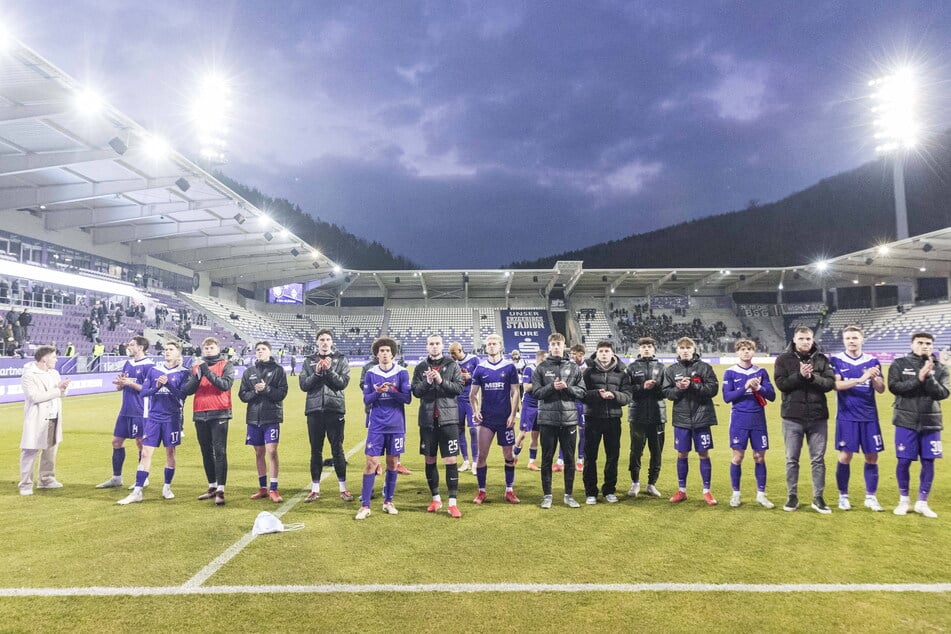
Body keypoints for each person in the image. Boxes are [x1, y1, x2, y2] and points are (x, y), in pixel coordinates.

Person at [117, 342, 192, 505]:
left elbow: (182, 396)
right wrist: (157, 386)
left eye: (171, 349)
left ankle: (167, 487)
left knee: (170, 453)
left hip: (172, 419)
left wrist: (168, 384)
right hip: (153, 417)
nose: (167, 352)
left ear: (178, 353)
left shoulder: (184, 373)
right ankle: (137, 491)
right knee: (145, 453)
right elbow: (144, 392)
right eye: (166, 349)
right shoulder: (154, 370)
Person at [773, 326, 835, 514]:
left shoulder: (822, 359)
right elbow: (781, 384)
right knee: (792, 459)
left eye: (808, 339)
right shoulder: (783, 360)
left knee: (818, 460)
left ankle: (818, 497)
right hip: (792, 417)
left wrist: (811, 378)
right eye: (801, 339)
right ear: (794, 339)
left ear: (812, 339)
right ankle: (792, 496)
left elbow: (829, 384)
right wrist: (800, 376)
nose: (805, 342)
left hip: (818, 417)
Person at [888, 332, 948, 518]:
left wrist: (929, 377)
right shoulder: (899, 364)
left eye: (928, 343)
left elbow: (943, 394)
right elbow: (895, 388)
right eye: (920, 342)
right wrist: (918, 379)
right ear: (912, 344)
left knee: (928, 461)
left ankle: (922, 502)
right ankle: (904, 500)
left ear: (932, 346)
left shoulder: (941, 369)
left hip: (931, 422)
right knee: (904, 461)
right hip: (905, 421)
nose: (924, 346)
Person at [829, 326, 886, 512]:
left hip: (869, 416)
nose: (851, 341)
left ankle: (871, 497)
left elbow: (880, 388)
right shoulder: (837, 360)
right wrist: (861, 379)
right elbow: (836, 385)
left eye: (855, 337)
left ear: (862, 339)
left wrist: (875, 378)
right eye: (848, 338)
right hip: (847, 417)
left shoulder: (872, 360)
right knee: (846, 456)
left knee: (872, 456)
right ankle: (843, 496)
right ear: (844, 340)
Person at [355, 337, 412, 520]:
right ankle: (365, 505)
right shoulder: (371, 373)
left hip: (396, 425)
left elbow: (407, 399)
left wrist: (392, 391)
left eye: (388, 350)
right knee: (371, 463)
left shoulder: (402, 372)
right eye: (381, 351)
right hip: (377, 425)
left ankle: (388, 501)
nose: (385, 353)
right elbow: (366, 400)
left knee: (392, 463)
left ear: (393, 353)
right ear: (377, 354)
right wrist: (377, 392)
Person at [412, 335, 464, 518]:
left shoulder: (452, 365)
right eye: (431, 344)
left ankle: (452, 503)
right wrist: (427, 382)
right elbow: (416, 392)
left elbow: (459, 388)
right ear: (427, 347)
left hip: (448, 419)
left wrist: (441, 381)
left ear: (442, 346)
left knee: (450, 460)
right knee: (430, 460)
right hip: (427, 421)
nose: (434, 346)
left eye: (437, 344)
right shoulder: (420, 368)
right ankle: (435, 499)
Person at [663, 337, 719, 506]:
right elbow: (667, 393)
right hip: (681, 419)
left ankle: (707, 491)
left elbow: (713, 389)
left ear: (694, 349)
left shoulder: (704, 367)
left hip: (702, 418)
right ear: (677, 350)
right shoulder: (671, 370)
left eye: (688, 347)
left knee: (703, 453)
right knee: (682, 453)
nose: (685, 350)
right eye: (682, 347)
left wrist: (693, 386)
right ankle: (682, 491)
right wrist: (679, 389)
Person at [533, 333, 586, 508]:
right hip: (547, 420)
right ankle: (547, 495)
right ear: (549, 346)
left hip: (569, 420)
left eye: (559, 344)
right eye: (553, 344)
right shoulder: (541, 368)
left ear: (565, 346)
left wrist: (568, 388)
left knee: (570, 459)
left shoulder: (574, 367)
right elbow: (536, 393)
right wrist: (551, 387)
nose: (556, 346)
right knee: (547, 458)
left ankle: (568, 495)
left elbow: (582, 392)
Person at [299, 329, 352, 502]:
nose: (325, 342)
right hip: (314, 411)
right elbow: (304, 385)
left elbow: (342, 384)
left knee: (337, 450)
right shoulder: (309, 361)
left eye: (328, 339)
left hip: (334, 409)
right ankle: (315, 489)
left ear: (332, 342)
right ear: (316, 342)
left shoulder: (341, 359)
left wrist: (328, 371)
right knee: (316, 451)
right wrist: (317, 373)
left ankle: (343, 489)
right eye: (321, 339)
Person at [722, 339, 776, 508]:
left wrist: (758, 387)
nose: (746, 352)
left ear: (754, 351)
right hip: (739, 419)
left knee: (759, 457)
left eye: (749, 349)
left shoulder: (761, 371)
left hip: (758, 420)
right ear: (737, 352)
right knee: (738, 457)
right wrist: (745, 387)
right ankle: (736, 494)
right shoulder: (730, 373)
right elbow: (727, 398)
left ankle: (761, 494)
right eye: (743, 349)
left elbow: (772, 396)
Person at [469, 333, 522, 504]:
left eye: (494, 344)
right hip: (487, 420)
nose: (491, 346)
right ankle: (482, 491)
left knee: (508, 456)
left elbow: (515, 392)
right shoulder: (480, 369)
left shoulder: (509, 367)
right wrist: (475, 410)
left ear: (500, 346)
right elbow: (473, 395)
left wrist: (513, 414)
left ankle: (509, 490)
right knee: (482, 456)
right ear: (486, 347)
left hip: (505, 420)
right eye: (489, 344)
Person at [96, 336, 154, 489]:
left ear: (140, 347)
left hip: (140, 410)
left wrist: (131, 383)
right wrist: (121, 384)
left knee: (140, 443)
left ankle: (143, 478)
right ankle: (116, 478)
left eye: (132, 344)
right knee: (116, 442)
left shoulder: (150, 366)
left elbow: (149, 390)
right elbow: (122, 385)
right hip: (126, 410)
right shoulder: (128, 363)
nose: (128, 346)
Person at [581, 341, 632, 504]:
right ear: (596, 353)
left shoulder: (622, 374)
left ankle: (609, 490)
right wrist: (597, 394)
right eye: (601, 351)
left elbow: (628, 396)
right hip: (592, 418)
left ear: (612, 354)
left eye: (606, 351)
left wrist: (615, 395)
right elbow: (581, 394)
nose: (603, 354)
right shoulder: (588, 373)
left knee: (612, 456)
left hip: (613, 419)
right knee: (590, 457)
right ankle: (591, 492)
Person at [240, 341, 289, 503]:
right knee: (259, 453)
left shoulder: (278, 370)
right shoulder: (249, 372)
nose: (260, 352)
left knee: (272, 451)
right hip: (254, 418)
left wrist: (266, 389)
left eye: (263, 349)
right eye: (258, 349)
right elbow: (242, 395)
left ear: (269, 351)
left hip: (271, 417)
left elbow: (282, 393)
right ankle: (262, 488)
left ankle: (273, 488)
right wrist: (255, 391)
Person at [19, 346, 70, 495]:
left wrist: (63, 389)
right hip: (37, 418)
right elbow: (35, 397)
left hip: (53, 417)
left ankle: (46, 479)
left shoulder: (54, 373)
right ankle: (25, 484)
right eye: (54, 357)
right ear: (44, 358)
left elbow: (61, 394)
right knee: (29, 451)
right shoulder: (29, 375)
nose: (56, 360)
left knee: (50, 450)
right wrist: (57, 390)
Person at [191, 337, 235, 506]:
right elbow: (188, 390)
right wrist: (196, 377)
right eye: (206, 348)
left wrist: (206, 372)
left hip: (219, 413)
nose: (208, 350)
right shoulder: (196, 367)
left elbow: (224, 385)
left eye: (211, 347)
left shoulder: (226, 365)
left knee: (220, 451)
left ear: (218, 349)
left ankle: (221, 490)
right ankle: (212, 486)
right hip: (200, 413)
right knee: (205, 451)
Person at [626, 337, 667, 498]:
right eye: (643, 346)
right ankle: (635, 482)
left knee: (656, 451)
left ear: (654, 349)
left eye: (649, 346)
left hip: (658, 415)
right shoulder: (632, 367)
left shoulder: (662, 368)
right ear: (639, 349)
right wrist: (643, 387)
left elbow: (667, 391)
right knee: (636, 450)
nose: (646, 349)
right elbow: (627, 390)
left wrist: (656, 386)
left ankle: (651, 484)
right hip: (637, 415)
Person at [449, 342, 480, 474]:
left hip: (471, 399)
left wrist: (470, 376)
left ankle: (475, 462)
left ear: (460, 350)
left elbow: (482, 376)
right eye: (450, 353)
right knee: (459, 430)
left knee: (473, 430)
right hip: (457, 400)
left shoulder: (474, 359)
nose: (452, 356)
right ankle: (466, 461)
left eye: (453, 353)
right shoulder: (452, 364)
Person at [514, 350, 547, 471]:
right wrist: (542, 383)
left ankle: (531, 462)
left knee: (535, 435)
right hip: (529, 406)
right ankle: (514, 456)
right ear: (540, 358)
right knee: (522, 434)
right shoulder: (529, 369)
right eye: (545, 359)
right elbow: (527, 387)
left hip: (541, 405)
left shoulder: (546, 371)